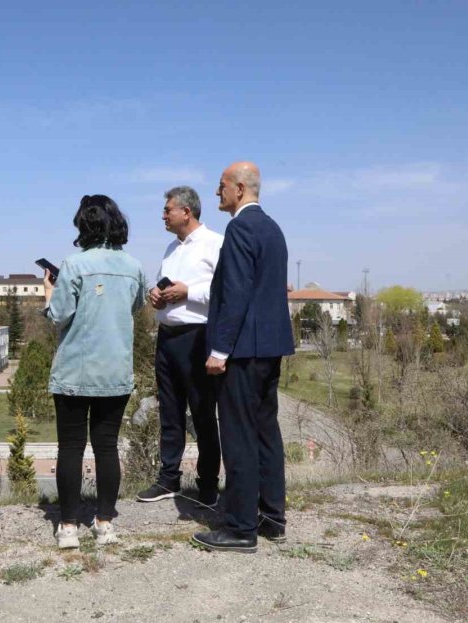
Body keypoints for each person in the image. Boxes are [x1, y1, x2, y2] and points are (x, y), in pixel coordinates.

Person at [192, 162, 294, 553]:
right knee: (266, 431)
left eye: (220, 186)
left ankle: (239, 527)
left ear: (238, 188)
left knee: (238, 437)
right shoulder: (272, 228)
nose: (216, 193)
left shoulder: (239, 228)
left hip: (243, 351)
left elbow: (235, 292)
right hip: (270, 347)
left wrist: (219, 350)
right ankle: (272, 516)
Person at [43, 194, 147, 549]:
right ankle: (105, 523)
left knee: (70, 447)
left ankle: (69, 526)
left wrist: (49, 292)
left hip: (75, 369)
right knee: (107, 448)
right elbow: (134, 307)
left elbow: (58, 315)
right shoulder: (133, 266)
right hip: (115, 369)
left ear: (82, 226)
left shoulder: (72, 265)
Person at [136, 186, 223, 506]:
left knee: (202, 414)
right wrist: (154, 295)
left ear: (187, 212)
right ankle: (168, 479)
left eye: (167, 210)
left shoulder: (216, 244)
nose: (163, 215)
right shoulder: (171, 248)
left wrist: (190, 291)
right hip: (167, 337)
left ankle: (208, 485)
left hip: (198, 337)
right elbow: (163, 286)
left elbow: (226, 292)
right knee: (169, 412)